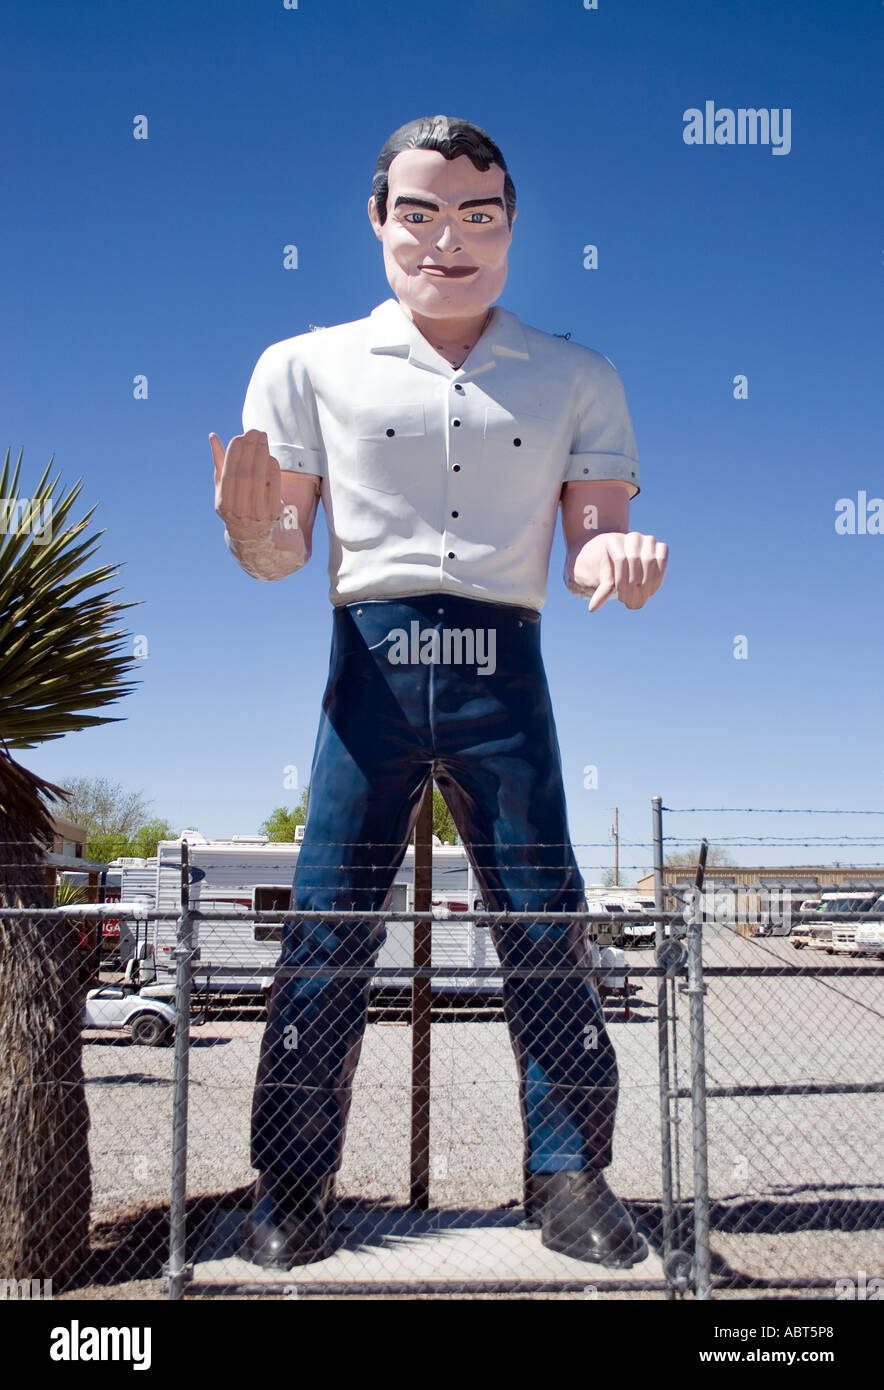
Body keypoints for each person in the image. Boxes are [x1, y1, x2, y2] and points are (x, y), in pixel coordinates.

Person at [210, 115, 668, 1269]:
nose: (445, 241)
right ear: (375, 221)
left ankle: (568, 1180)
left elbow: (588, 539)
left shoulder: (576, 375)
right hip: (369, 654)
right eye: (416, 214)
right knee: (324, 925)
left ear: (511, 228)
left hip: (503, 661)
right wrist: (253, 528)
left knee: (543, 924)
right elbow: (279, 551)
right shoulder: (303, 362)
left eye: (477, 216)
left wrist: (611, 558)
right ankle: (294, 1187)